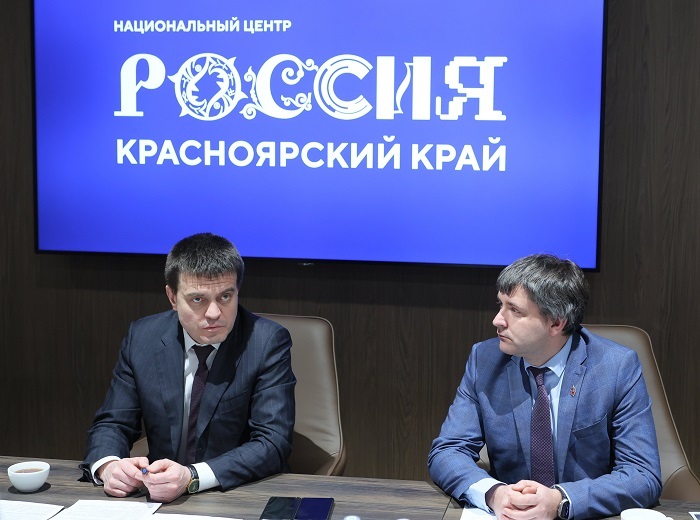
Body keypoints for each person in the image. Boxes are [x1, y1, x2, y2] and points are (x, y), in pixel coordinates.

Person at [428, 254, 661, 520]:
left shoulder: (616, 367)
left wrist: (559, 500)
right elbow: (447, 451)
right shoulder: (485, 360)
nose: (498, 320)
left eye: (515, 310)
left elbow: (642, 474)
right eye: (500, 305)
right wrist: (494, 494)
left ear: (556, 322)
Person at [80, 233, 296, 503]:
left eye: (225, 296)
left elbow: (272, 441)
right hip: (158, 495)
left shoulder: (266, 342)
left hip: (236, 493)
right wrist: (109, 466)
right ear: (172, 297)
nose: (214, 313)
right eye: (197, 300)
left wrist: (192, 477)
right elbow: (113, 422)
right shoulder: (143, 337)